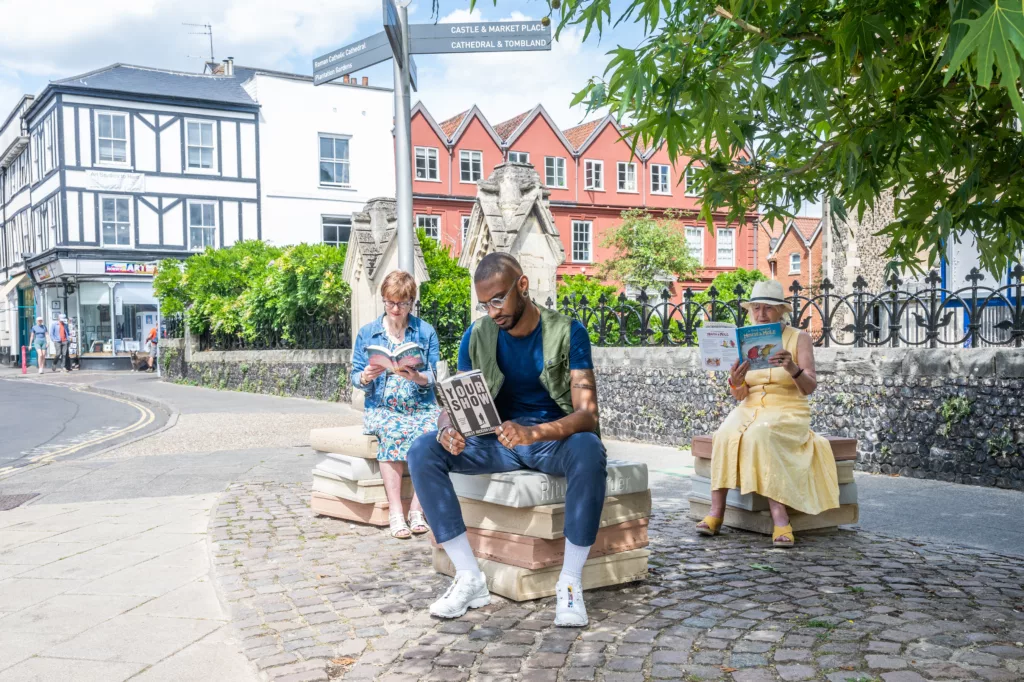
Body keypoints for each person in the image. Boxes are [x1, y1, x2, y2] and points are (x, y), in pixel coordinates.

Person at [407, 253, 606, 627]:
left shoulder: (567, 331)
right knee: (422, 449)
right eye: (485, 303)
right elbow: (457, 399)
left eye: (498, 299)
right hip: (496, 439)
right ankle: (468, 576)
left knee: (589, 448)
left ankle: (570, 582)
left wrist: (533, 432)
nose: (492, 311)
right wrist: (448, 427)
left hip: (549, 439)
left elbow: (586, 414)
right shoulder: (478, 334)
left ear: (523, 286)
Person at [696, 279, 839, 547]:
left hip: (788, 408)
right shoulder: (746, 339)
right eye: (756, 308)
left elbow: (809, 387)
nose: (761, 314)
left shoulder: (799, 338)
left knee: (761, 436)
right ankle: (716, 513)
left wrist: (792, 368)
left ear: (782, 311)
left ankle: (780, 518)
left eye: (768, 309)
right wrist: (736, 381)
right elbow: (740, 394)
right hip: (750, 407)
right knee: (724, 434)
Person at [350, 270, 441, 540]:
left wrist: (419, 377)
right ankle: (396, 512)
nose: (395, 309)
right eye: (390, 302)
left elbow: (436, 375)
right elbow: (355, 374)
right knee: (392, 430)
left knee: (433, 431)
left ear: (412, 301)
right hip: (382, 405)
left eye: (402, 303)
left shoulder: (425, 331)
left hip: (419, 403)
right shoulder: (368, 333)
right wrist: (365, 376)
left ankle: (416, 509)